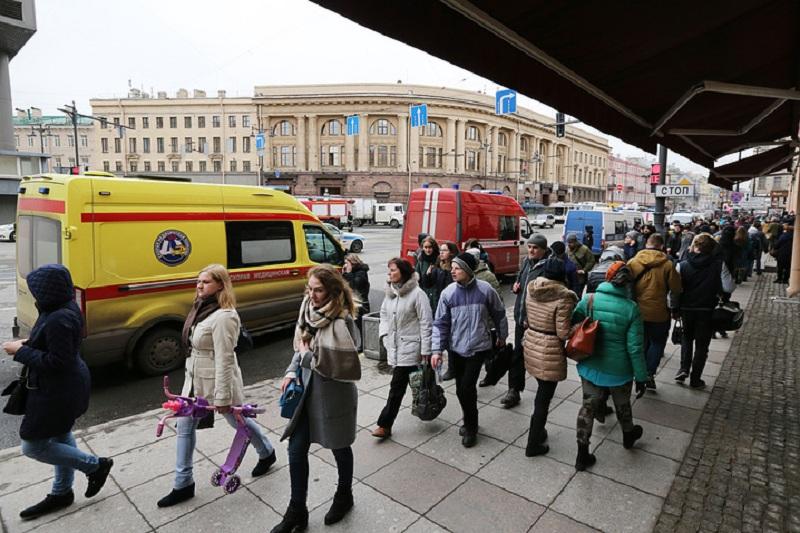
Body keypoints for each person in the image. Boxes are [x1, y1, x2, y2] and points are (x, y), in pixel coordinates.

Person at [159, 264, 276, 508]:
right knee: (184, 425)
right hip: (194, 380)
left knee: (237, 421)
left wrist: (222, 396)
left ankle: (266, 452)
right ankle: (183, 483)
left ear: (221, 285)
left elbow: (224, 357)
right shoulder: (201, 308)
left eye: (206, 282)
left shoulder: (224, 316)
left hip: (217, 381)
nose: (200, 285)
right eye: (198, 281)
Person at [2, 265, 113, 520]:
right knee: (61, 435)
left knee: (34, 445)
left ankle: (96, 466)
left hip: (58, 390)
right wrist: (27, 344)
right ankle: (62, 492)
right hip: (63, 386)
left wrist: (20, 351)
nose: (33, 295)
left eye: (35, 290)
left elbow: (57, 361)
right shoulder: (59, 308)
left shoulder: (58, 317)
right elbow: (53, 346)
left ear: (46, 291)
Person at [273, 264, 361, 532]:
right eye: (309, 288)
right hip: (305, 395)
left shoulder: (343, 319)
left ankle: (344, 494)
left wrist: (305, 355)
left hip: (333, 395)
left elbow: (344, 365)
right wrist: (291, 370)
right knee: (296, 449)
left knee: (339, 447)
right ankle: (296, 510)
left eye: (318, 290)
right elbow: (299, 350)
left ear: (333, 290)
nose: (312, 295)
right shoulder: (307, 310)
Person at [571, 262, 648, 471]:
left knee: (587, 406)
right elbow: (635, 348)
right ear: (627, 284)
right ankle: (628, 434)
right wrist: (642, 377)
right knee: (623, 404)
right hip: (619, 369)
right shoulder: (632, 309)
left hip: (590, 364)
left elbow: (573, 323)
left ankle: (582, 454)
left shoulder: (589, 299)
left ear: (607, 278)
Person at [431, 253, 508, 448]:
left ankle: (471, 427)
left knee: (467, 387)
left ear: (467, 270)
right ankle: (468, 418)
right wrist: (437, 350)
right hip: (456, 348)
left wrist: (502, 335)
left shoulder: (485, 290)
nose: (452, 271)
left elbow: (499, 313)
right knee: (460, 389)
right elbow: (440, 324)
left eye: (457, 268)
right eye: (452, 267)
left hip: (478, 347)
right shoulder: (448, 293)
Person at [522, 258, 578, 457]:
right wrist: (579, 326)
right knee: (543, 400)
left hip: (532, 343)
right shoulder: (564, 297)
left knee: (541, 393)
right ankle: (533, 444)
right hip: (549, 349)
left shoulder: (532, 288)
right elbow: (563, 333)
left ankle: (539, 430)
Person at [372, 258, 433, 438]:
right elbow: (383, 314)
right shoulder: (390, 293)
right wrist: (384, 336)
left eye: (392, 270)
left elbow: (426, 323)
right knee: (419, 386)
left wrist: (426, 351)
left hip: (412, 349)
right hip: (395, 347)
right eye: (388, 270)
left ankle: (385, 425)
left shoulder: (417, 294)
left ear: (403, 273)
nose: (389, 274)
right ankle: (427, 407)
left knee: (399, 387)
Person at [627, 234, 682, 390]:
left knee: (640, 343)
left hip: (637, 312)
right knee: (657, 343)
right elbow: (676, 289)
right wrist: (675, 308)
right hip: (659, 312)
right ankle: (649, 373)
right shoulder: (668, 265)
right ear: (661, 246)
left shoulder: (633, 262)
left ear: (646, 244)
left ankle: (639, 373)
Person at [672, 234, 723, 388]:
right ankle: (696, 379)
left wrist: (675, 308)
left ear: (694, 246)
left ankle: (683, 369)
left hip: (687, 308)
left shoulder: (682, 265)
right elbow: (728, 286)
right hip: (707, 309)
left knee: (687, 338)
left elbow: (675, 290)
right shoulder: (718, 265)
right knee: (702, 345)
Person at [506, 234, 551, 407]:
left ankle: (544, 390)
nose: (531, 250)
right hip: (520, 318)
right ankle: (514, 390)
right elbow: (519, 281)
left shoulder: (548, 267)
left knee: (539, 358)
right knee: (517, 354)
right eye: (530, 246)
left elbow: (548, 296)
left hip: (536, 323)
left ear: (543, 249)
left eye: (535, 248)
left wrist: (531, 318)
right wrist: (516, 286)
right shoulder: (526, 262)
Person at [436, 241, 460, 380]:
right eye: (440, 250)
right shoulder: (439, 267)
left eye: (444, 250)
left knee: (452, 338)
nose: (441, 253)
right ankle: (453, 366)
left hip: (453, 307)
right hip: (442, 306)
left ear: (451, 252)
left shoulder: (454, 268)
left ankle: (453, 368)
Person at [342, 254, 370, 348]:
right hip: (354, 302)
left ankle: (363, 346)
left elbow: (354, 286)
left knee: (361, 326)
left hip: (361, 304)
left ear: (352, 263)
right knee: (357, 325)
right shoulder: (352, 272)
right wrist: (344, 274)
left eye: (347, 263)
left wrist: (348, 273)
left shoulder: (361, 273)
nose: (345, 265)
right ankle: (362, 345)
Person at [415, 235, 443, 311]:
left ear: (434, 247)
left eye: (430, 247)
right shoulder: (421, 260)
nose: (428, 250)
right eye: (425, 247)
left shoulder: (440, 259)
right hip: (424, 292)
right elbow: (417, 277)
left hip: (437, 292)